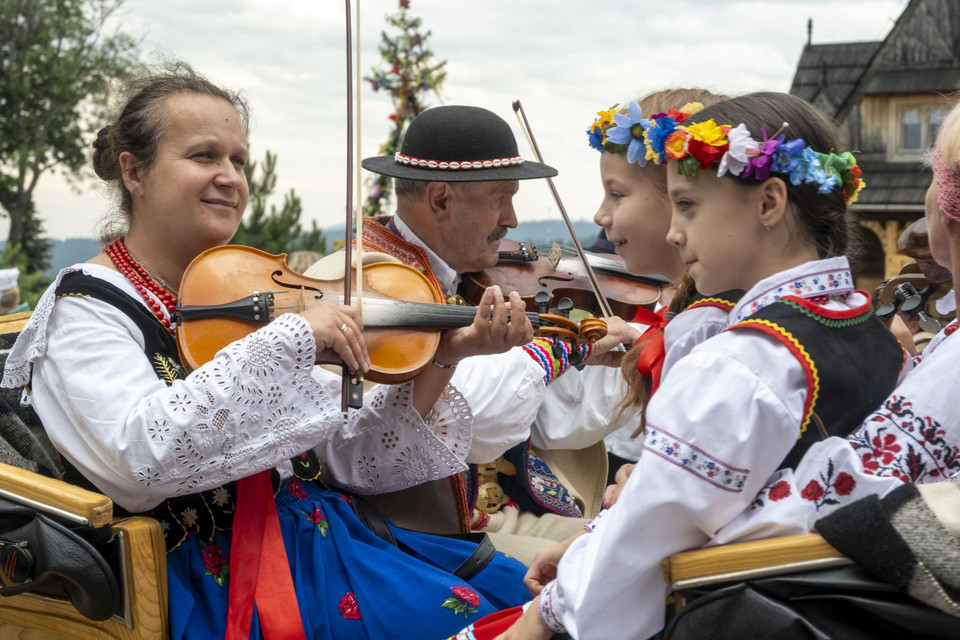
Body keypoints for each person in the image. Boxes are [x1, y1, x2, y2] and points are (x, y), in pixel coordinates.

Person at [0, 62, 540, 640]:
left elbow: (353, 462)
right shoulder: (86, 307)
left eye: (238, 160)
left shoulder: (242, 289)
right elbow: (141, 461)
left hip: (314, 534)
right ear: (133, 171)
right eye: (204, 156)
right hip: (205, 575)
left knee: (529, 600)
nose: (230, 176)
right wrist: (295, 340)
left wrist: (444, 355)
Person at [455, 91, 907, 640]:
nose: (673, 230)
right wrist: (594, 537)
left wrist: (543, 617)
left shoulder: (741, 361)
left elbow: (648, 539)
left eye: (688, 205)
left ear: (769, 203)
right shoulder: (875, 334)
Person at [306, 105, 638, 555]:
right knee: (610, 562)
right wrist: (564, 352)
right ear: (441, 199)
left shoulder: (457, 277)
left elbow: (548, 422)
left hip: (484, 518)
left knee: (626, 541)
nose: (513, 220)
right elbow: (473, 408)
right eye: (500, 199)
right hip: (409, 538)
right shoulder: (359, 286)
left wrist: (632, 360)